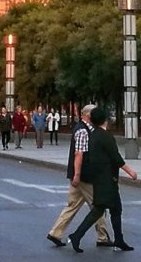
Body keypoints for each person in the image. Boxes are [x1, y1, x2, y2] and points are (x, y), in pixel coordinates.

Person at [67, 107, 137, 252]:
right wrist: (130, 171)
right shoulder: (105, 136)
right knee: (103, 209)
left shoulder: (92, 135)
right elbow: (115, 157)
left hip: (98, 177)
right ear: (105, 120)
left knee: (111, 209)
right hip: (107, 179)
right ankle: (77, 236)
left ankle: (118, 239)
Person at [47, 104, 112, 248]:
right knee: (99, 206)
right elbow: (79, 154)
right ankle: (102, 237)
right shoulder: (83, 131)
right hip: (84, 176)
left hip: (79, 176)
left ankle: (55, 233)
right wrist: (77, 175)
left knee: (72, 206)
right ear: (88, 116)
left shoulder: (85, 129)